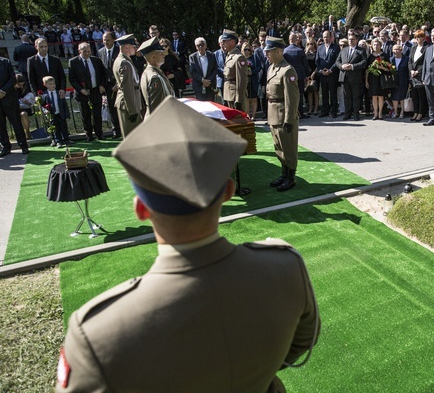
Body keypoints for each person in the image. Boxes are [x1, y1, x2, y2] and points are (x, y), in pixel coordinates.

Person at [56, 97, 320, 393]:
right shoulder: (285, 267)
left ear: (141, 209)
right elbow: (298, 346)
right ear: (228, 192)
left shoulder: (95, 332)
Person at [265, 37, 300, 191]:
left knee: (289, 148)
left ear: (278, 51)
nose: (267, 54)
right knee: (279, 147)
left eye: (269, 51)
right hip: (273, 114)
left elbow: (292, 97)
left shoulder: (287, 70)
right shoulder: (272, 67)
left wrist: (289, 119)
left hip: (283, 115)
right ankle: (284, 173)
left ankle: (291, 178)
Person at [68, 42, 107, 141]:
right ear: (79, 51)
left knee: (97, 114)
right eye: (84, 52)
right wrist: (81, 90)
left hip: (95, 91)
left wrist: (102, 85)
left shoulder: (96, 61)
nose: (87, 54)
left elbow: (103, 74)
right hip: (82, 93)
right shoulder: (73, 62)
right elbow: (72, 79)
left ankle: (99, 133)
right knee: (85, 115)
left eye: (89, 51)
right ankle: (88, 135)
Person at [113, 34, 143, 138]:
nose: (135, 48)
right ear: (126, 47)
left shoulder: (124, 60)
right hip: (128, 105)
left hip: (129, 104)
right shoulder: (124, 63)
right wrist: (132, 110)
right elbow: (127, 88)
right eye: (133, 46)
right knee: (133, 138)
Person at [335, 30, 367, 121]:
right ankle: (347, 113)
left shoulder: (361, 50)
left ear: (356, 40)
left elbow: (364, 62)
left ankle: (356, 114)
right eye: (349, 39)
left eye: (352, 39)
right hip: (344, 76)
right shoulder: (344, 50)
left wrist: (352, 66)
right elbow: (337, 61)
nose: (350, 41)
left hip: (355, 77)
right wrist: (342, 66)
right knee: (346, 96)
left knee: (355, 96)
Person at [139, 37, 174, 116]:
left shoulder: (149, 72)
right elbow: (157, 108)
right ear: (153, 57)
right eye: (160, 53)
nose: (164, 54)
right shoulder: (155, 77)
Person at [0, 58, 29, 156]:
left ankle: (23, 145)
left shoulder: (5, 62)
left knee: (16, 123)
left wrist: (3, 91)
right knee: (1, 126)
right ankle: (5, 147)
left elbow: (13, 78)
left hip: (9, 98)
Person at [97, 31, 122, 139]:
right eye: (104, 40)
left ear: (113, 40)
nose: (105, 42)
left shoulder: (119, 51)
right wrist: (101, 85)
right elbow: (101, 70)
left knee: (121, 108)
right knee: (111, 109)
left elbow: (122, 70)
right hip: (107, 85)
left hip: (119, 85)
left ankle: (124, 129)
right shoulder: (100, 52)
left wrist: (118, 84)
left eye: (108, 40)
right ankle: (116, 130)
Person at [283, 33, 310, 118]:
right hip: (300, 76)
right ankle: (300, 113)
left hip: (288, 76)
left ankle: (291, 113)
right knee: (299, 95)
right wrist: (307, 75)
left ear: (289, 40)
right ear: (296, 40)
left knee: (289, 95)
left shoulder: (285, 51)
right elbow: (305, 64)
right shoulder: (300, 50)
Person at [220, 30, 248, 110]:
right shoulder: (229, 55)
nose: (223, 43)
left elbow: (241, 80)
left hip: (235, 97)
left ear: (232, 42)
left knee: (239, 121)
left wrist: (238, 100)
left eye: (225, 41)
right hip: (229, 95)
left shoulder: (239, 58)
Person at [41, 75, 71, 148]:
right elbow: (43, 105)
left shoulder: (59, 93)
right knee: (55, 128)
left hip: (60, 113)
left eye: (54, 83)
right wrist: (46, 111)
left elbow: (64, 104)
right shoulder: (44, 95)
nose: (52, 85)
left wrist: (66, 113)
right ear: (45, 85)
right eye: (50, 84)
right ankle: (58, 141)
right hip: (52, 115)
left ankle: (66, 140)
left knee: (64, 127)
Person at [365, 38, 390, 120]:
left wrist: (381, 67)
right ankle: (375, 112)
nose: (376, 46)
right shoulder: (370, 56)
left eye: (377, 44)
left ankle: (380, 113)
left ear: (380, 45)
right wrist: (366, 80)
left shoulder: (385, 55)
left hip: (381, 78)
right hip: (372, 78)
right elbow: (367, 70)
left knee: (381, 96)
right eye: (374, 45)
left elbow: (389, 69)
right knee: (374, 96)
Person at [189, 37, 217, 101]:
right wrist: (202, 80)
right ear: (196, 47)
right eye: (198, 45)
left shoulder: (212, 55)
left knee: (211, 105)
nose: (200, 47)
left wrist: (208, 80)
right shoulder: (192, 57)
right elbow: (192, 71)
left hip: (210, 85)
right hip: (198, 86)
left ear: (205, 45)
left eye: (202, 44)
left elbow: (215, 69)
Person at [389, 44, 409, 118]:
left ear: (401, 50)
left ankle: (402, 112)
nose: (396, 51)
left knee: (402, 96)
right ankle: (395, 111)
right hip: (394, 80)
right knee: (394, 96)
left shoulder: (406, 58)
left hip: (403, 80)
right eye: (394, 49)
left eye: (397, 49)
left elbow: (408, 70)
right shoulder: (391, 59)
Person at [15, 73, 35, 140]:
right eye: (19, 85)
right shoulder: (12, 90)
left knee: (24, 114)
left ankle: (27, 132)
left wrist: (28, 101)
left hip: (25, 107)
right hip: (15, 108)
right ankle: (23, 133)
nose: (21, 87)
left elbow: (31, 100)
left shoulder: (25, 88)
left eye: (22, 85)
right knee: (21, 114)